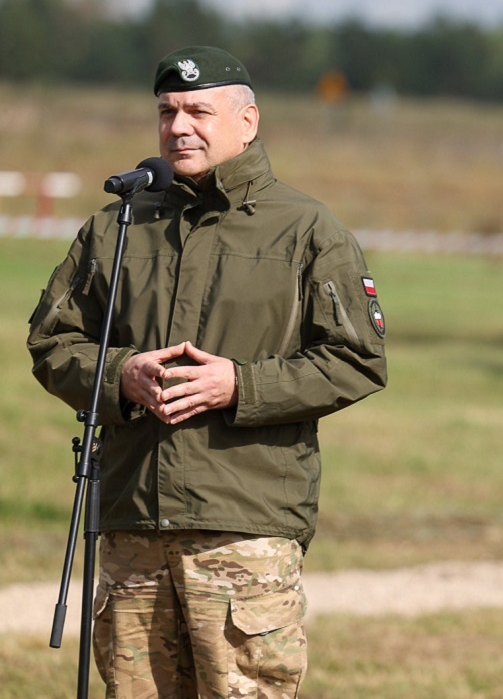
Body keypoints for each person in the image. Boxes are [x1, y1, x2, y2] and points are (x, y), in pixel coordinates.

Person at [28, 46, 388, 698]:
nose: (179, 126)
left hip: (246, 526)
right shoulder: (117, 225)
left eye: (199, 110)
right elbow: (53, 341)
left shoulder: (308, 231)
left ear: (247, 122)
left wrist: (240, 386)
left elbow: (357, 358)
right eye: (167, 112)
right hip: (133, 522)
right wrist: (120, 375)